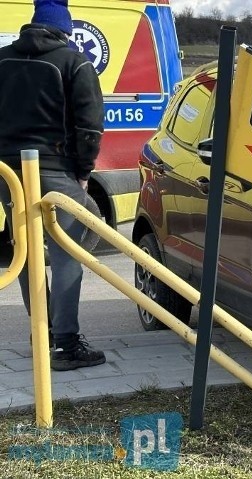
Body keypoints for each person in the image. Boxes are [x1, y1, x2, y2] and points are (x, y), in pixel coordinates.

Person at [0, 0, 106, 369]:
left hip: (9, 174)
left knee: (28, 254)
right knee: (67, 254)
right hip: (55, 168)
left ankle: (41, 333)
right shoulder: (75, 63)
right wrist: (83, 171)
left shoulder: (2, 59)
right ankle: (65, 344)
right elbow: (89, 126)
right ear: (65, 28)